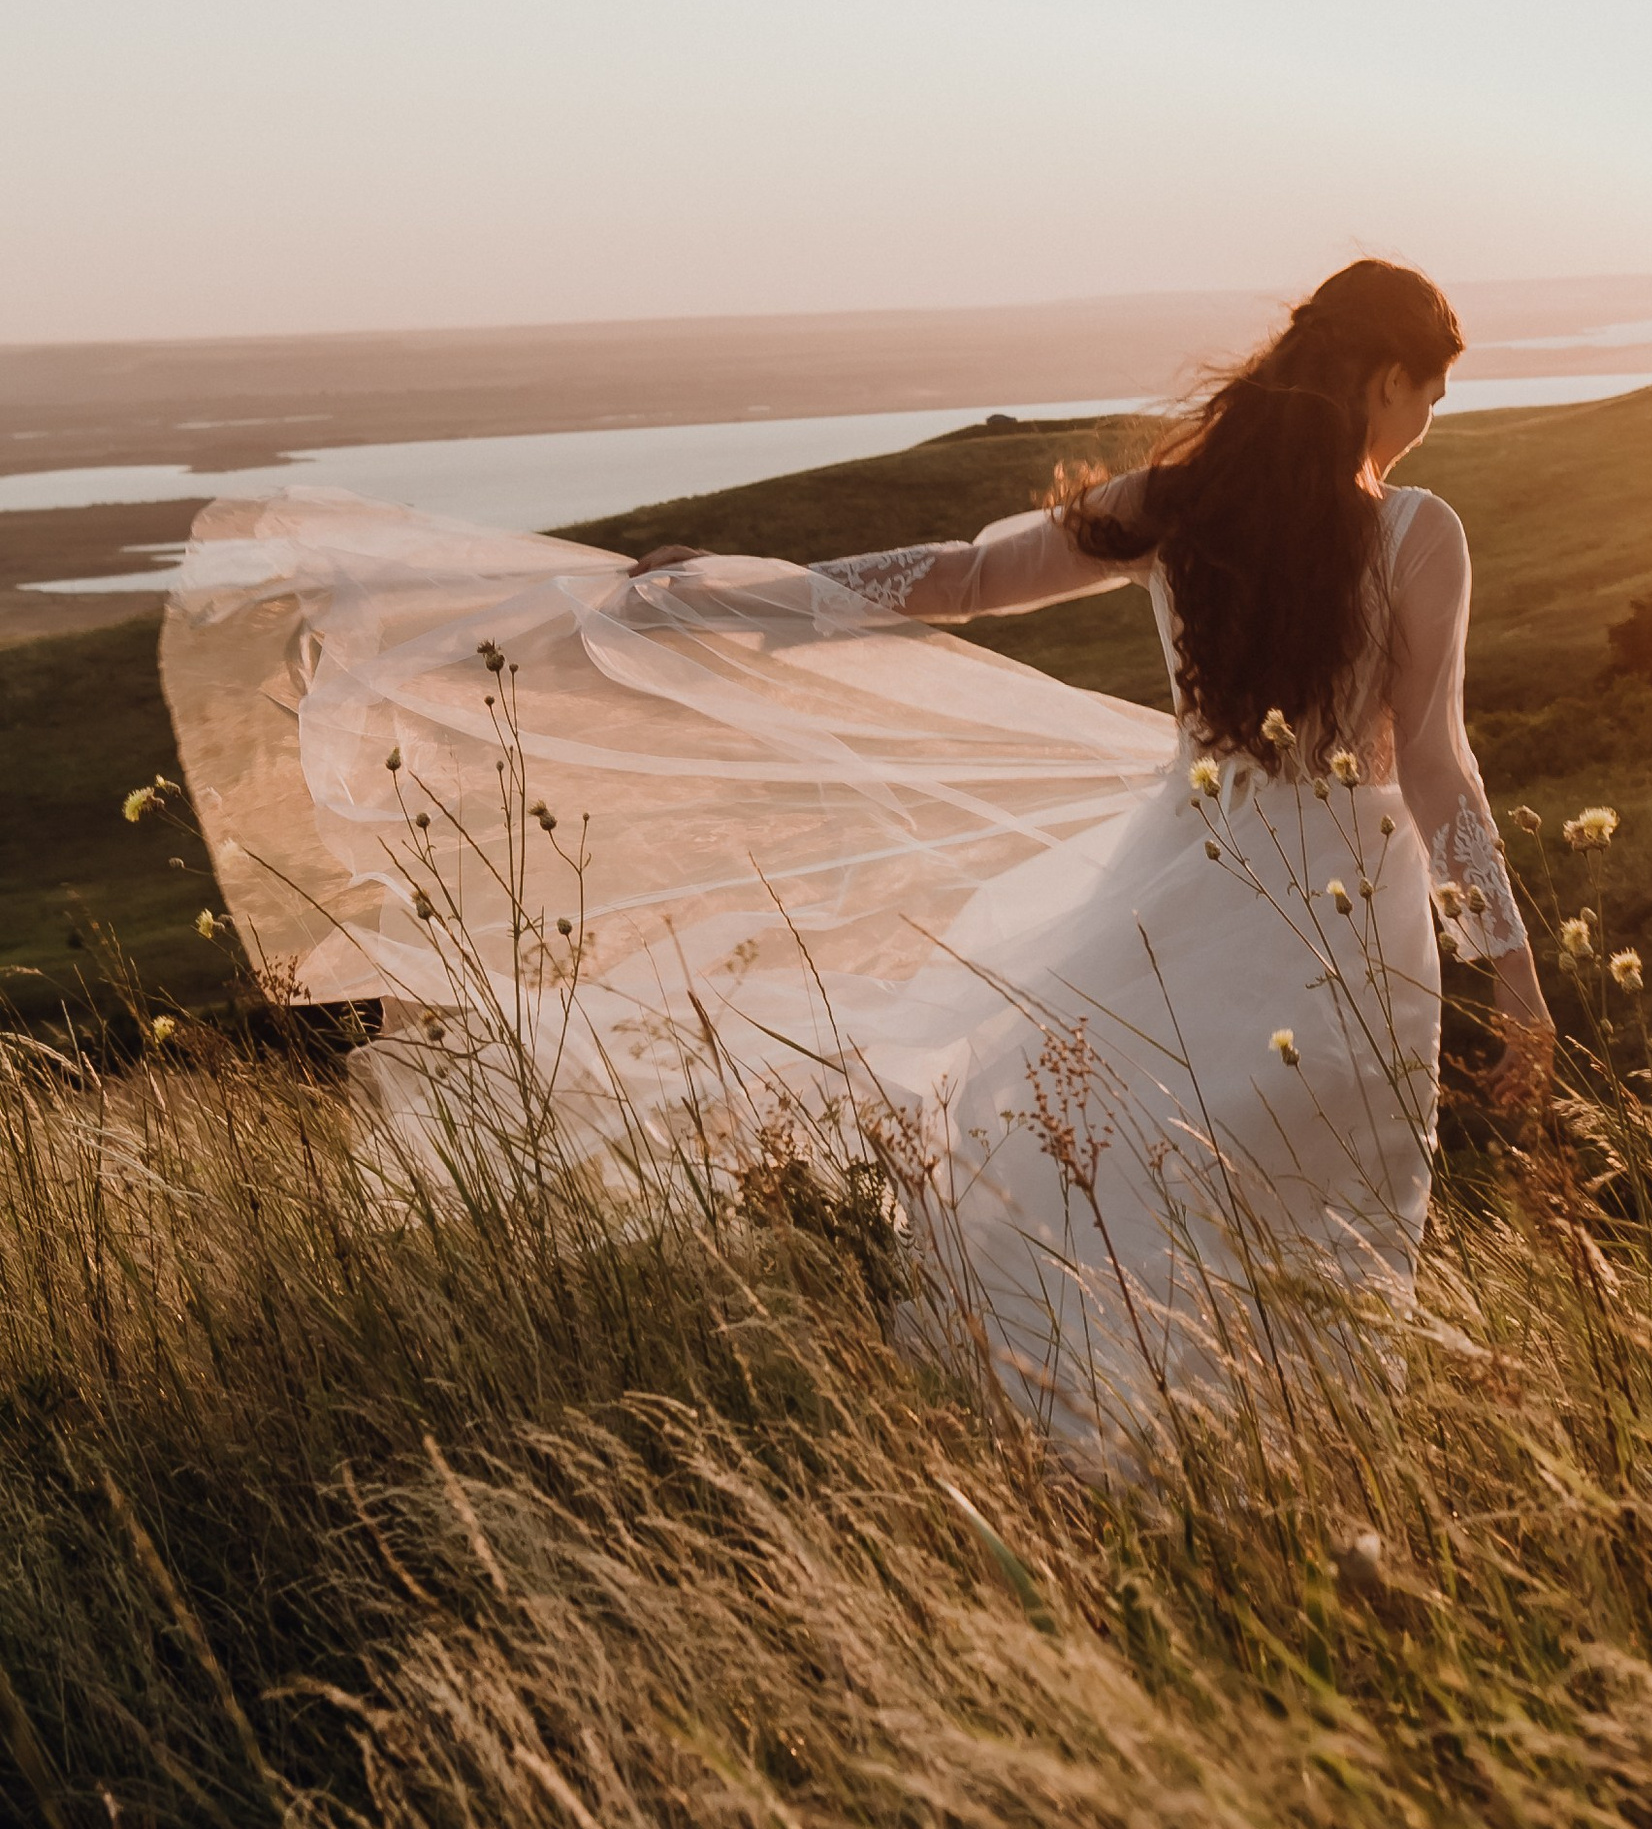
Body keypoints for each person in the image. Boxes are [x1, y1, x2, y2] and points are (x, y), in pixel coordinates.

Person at [162, 258, 1551, 1453]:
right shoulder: (1419, 535)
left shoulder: (1181, 506)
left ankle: (1095, 1435)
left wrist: (745, 594)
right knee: (1328, 1201)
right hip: (1347, 911)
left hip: (1188, 875)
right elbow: (1437, 763)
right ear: (1381, 379)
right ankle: (1287, 1465)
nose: (1428, 424)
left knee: (1135, 1168)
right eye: (1428, 391)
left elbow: (960, 578)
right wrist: (1517, 978)